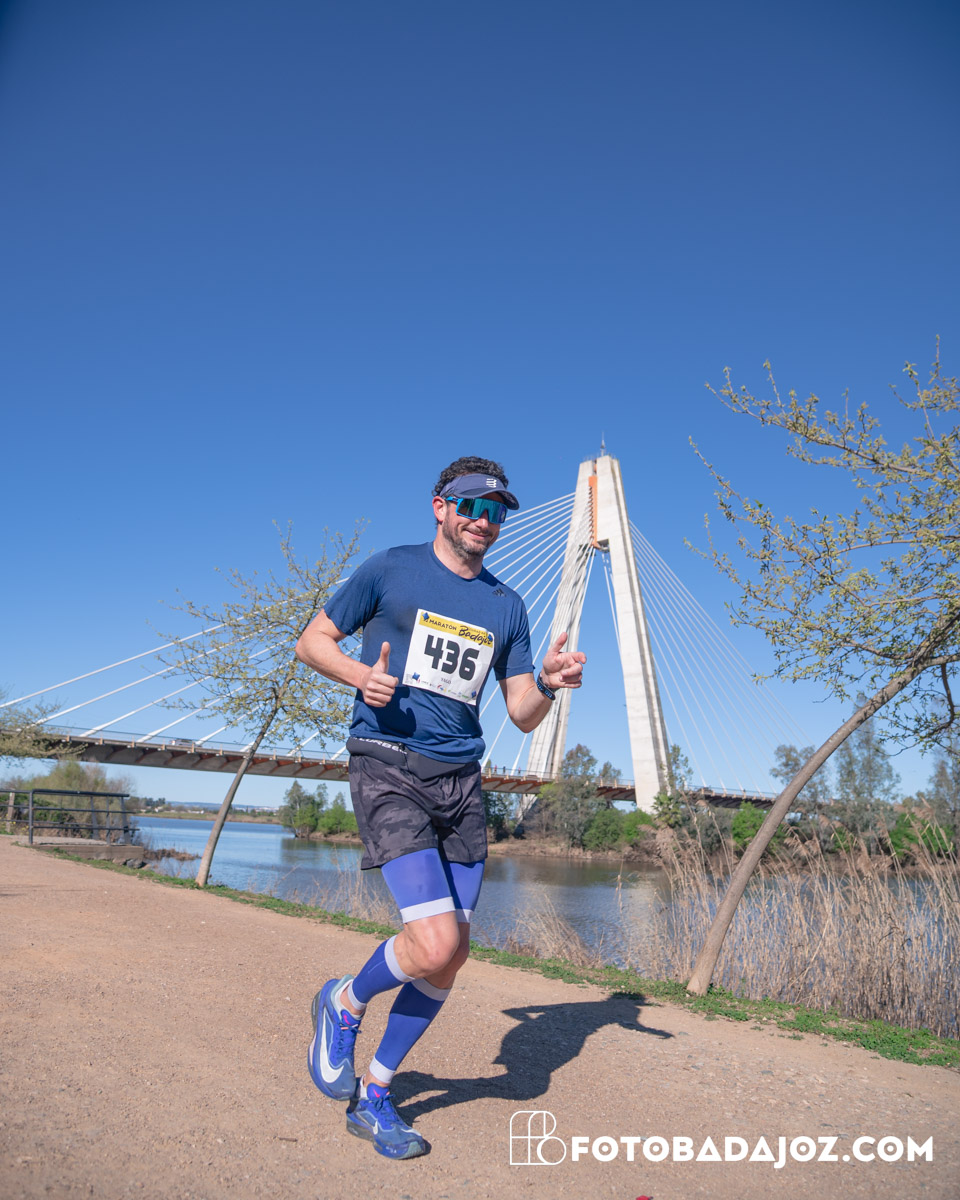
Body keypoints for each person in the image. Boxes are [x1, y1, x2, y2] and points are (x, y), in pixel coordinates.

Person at [294, 455, 586, 1160]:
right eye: (472, 506)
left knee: (450, 960)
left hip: (460, 780)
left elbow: (520, 713)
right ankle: (345, 1002)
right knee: (432, 944)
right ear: (440, 506)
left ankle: (375, 1095)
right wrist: (361, 676)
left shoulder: (506, 605)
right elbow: (312, 641)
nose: (484, 521)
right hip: (388, 764)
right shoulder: (390, 569)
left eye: (497, 512)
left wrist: (549, 684)